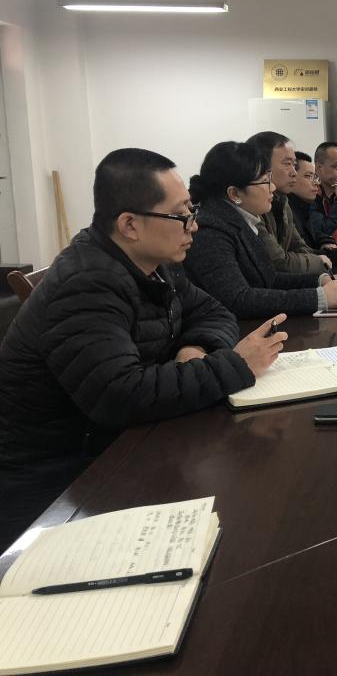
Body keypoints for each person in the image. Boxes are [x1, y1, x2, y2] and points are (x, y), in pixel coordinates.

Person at [0, 148, 288, 550]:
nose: (193, 225)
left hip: (124, 442)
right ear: (130, 224)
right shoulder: (86, 284)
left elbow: (214, 311)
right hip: (62, 479)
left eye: (191, 210)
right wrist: (236, 364)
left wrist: (195, 346)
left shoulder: (156, 263)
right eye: (180, 215)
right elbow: (121, 396)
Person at [184, 141, 337, 318]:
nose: (272, 187)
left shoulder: (240, 220)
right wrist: (318, 298)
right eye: (265, 181)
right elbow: (238, 299)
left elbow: (269, 278)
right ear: (234, 194)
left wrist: (319, 280)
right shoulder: (211, 231)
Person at [245, 131, 331, 274]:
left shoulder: (282, 201)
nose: (294, 172)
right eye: (287, 164)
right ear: (260, 166)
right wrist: (319, 262)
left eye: (294, 165)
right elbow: (277, 261)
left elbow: (298, 247)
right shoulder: (251, 206)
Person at [290, 152, 337, 265]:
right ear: (319, 168)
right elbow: (303, 252)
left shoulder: (307, 201)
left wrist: (329, 241)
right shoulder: (307, 201)